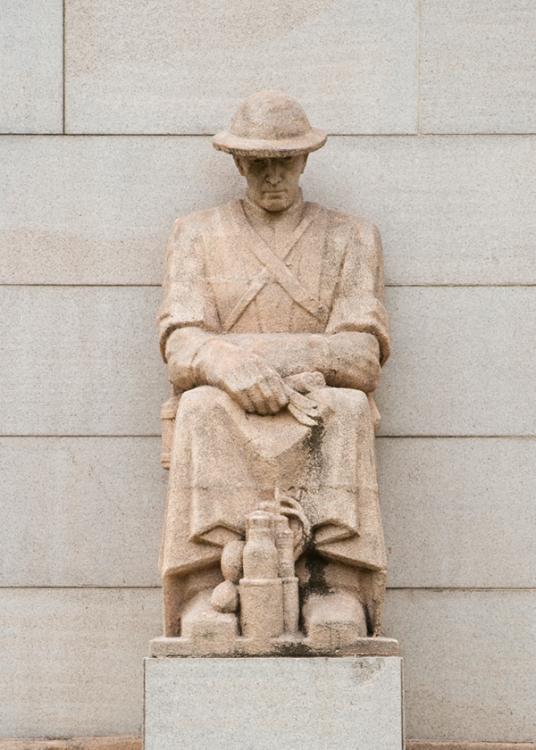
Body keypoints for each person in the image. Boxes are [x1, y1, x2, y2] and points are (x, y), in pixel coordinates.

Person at [158, 90, 390, 644]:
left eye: (283, 162)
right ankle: (206, 588)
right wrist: (221, 361)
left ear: (305, 159)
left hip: (317, 402)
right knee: (201, 405)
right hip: (227, 402)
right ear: (238, 163)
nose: (272, 178)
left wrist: (261, 359)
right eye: (258, 164)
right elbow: (181, 340)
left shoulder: (351, 237)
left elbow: (361, 354)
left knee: (348, 406)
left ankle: (333, 585)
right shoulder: (196, 234)